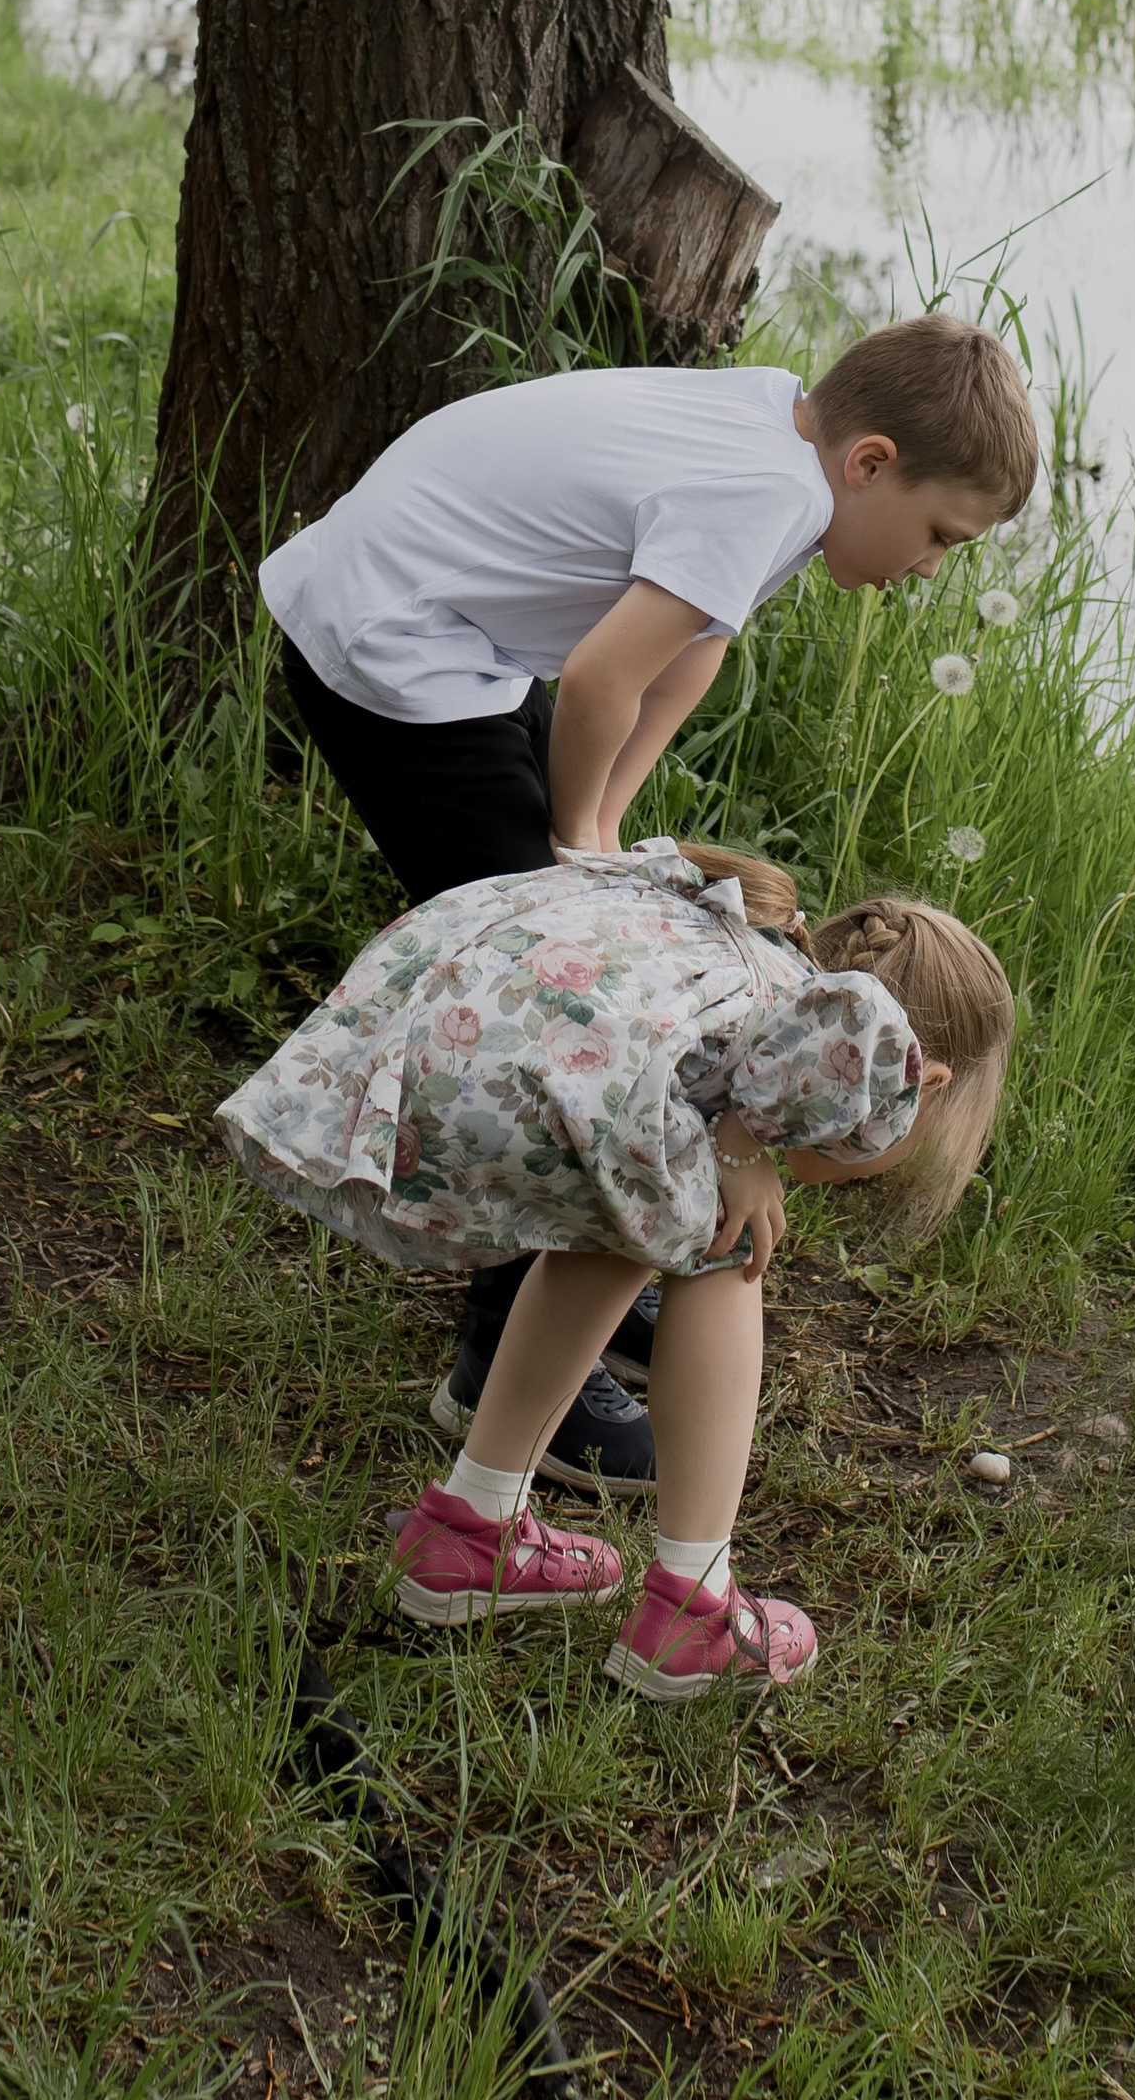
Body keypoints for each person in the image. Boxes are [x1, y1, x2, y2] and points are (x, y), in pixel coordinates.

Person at [256, 314, 1038, 1493]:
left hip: (429, 620)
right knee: (569, 1011)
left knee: (589, 963)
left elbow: (690, 651)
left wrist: (610, 828)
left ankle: (581, 1293)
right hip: (398, 650)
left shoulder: (786, 435)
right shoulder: (765, 491)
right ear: (870, 462)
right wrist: (575, 860)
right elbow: (600, 676)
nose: (931, 568)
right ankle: (506, 1362)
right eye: (938, 535)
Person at [217, 842, 1015, 1696]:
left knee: (631, 1225)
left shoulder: (761, 959)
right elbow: (855, 1026)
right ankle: (693, 1612)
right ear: (916, 1082)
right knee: (722, 1245)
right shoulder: (854, 1036)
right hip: (486, 1066)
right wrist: (742, 1144)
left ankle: (471, 1528)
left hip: (443, 1025)